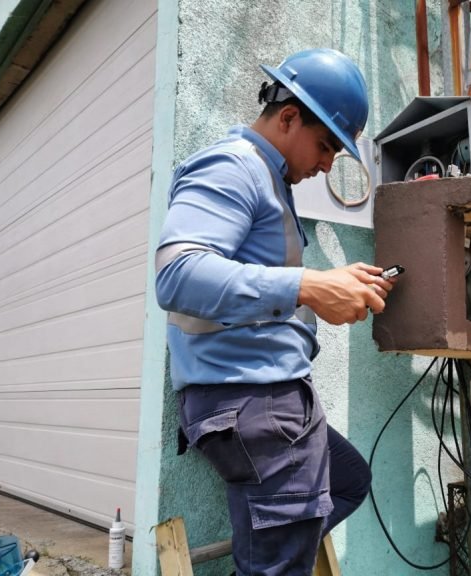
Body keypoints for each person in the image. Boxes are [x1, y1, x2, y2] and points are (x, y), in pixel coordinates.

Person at [154, 48, 397, 575]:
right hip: (255, 405)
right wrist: (309, 286)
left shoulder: (270, 181)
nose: (330, 162)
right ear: (288, 116)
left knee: (348, 481)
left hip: (266, 405)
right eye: (327, 143)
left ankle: (267, 549)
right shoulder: (234, 166)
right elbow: (177, 275)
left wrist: (330, 287)